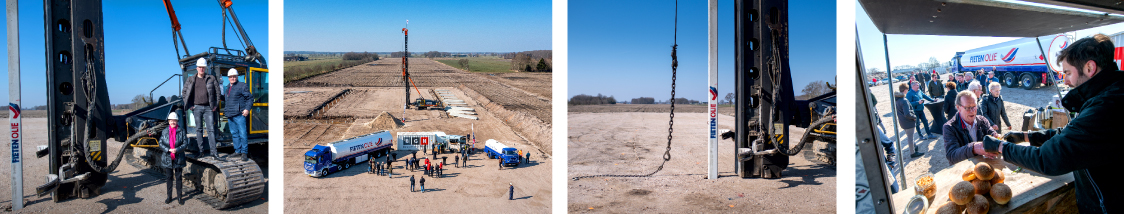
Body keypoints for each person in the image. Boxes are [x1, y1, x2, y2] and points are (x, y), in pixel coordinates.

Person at [978, 34, 1124, 213]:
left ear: (1089, 67)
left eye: (1068, 73)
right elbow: (1072, 134)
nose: (1066, 80)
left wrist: (1000, 146)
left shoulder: (1106, 106)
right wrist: (1025, 136)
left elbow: (1048, 159)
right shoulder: (1110, 92)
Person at [182, 58, 224, 161]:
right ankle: (201, 152)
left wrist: (215, 105)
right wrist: (190, 105)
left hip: (209, 108)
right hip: (197, 107)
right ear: (197, 68)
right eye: (200, 67)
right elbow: (184, 93)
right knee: (199, 130)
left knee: (210, 130)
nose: (201, 69)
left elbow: (218, 92)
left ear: (205, 68)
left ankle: (214, 153)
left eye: (203, 67)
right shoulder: (191, 79)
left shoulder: (211, 78)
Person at [942, 91, 1000, 164]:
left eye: (974, 106)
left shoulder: (982, 120)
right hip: (963, 169)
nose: (972, 111)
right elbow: (951, 156)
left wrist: (994, 135)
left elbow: (990, 131)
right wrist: (973, 148)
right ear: (958, 107)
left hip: (982, 165)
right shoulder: (949, 127)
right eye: (968, 108)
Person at [223, 68, 252, 161]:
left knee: (242, 133)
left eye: (234, 76)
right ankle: (237, 151)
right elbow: (227, 100)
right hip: (230, 114)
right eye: (231, 77)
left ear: (237, 77)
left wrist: (247, 109)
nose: (233, 78)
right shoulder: (227, 88)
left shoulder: (242, 86)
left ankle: (244, 152)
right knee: (234, 134)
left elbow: (250, 98)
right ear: (228, 78)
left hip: (239, 114)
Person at [160, 112, 187, 204]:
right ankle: (169, 196)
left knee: (178, 178)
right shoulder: (164, 132)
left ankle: (179, 197)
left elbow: (185, 144)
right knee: (169, 178)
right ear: (169, 121)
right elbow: (160, 143)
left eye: (174, 121)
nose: (173, 122)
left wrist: (177, 150)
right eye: (171, 121)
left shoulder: (181, 131)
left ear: (177, 121)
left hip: (178, 157)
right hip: (168, 157)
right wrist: (168, 149)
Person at [894, 84, 923, 158]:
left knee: (909, 136)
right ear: (905, 90)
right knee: (910, 138)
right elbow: (907, 114)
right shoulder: (904, 100)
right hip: (908, 122)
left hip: (902, 122)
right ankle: (912, 153)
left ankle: (915, 146)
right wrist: (914, 117)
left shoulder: (897, 99)